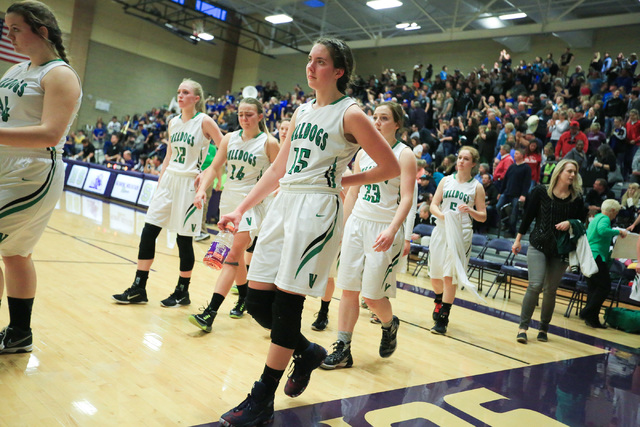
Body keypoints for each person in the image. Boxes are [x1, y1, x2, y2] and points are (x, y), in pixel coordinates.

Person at [216, 38, 400, 427]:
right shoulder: (301, 111)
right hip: (284, 203)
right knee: (255, 301)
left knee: (286, 305)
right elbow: (276, 170)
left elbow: (389, 166)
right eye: (309, 60)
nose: (311, 67)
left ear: (339, 70)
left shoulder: (350, 113)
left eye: (320, 62)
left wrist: (347, 179)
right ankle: (308, 351)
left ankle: (262, 397)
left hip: (317, 209)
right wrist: (240, 208)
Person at [0, 0, 82, 354]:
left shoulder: (60, 75)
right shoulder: (16, 71)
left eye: (16, 29)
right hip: (5, 165)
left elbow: (50, 134)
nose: (10, 36)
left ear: (42, 31)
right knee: (16, 254)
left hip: (32, 172)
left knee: (13, 253)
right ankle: (20, 333)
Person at [321, 101, 416, 369]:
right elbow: (353, 192)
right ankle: (343, 348)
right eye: (375, 117)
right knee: (348, 288)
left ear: (397, 124)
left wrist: (393, 229)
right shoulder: (363, 152)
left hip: (384, 225)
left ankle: (389, 324)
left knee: (372, 296)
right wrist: (343, 225)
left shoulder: (405, 154)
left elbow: (407, 198)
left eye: (384, 118)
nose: (377, 122)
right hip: (358, 223)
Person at [112, 79, 223, 306]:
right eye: (178, 92)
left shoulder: (205, 121)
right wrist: (160, 184)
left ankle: (182, 291)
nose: (180, 96)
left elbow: (226, 149)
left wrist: (208, 174)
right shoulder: (173, 122)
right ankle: (138, 288)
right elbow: (168, 156)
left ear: (196, 98)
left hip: (189, 184)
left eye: (185, 92)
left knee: (184, 240)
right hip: (169, 180)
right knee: (148, 231)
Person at [188, 98, 278, 332]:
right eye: (240, 114)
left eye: (249, 114)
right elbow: (215, 166)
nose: (244, 118)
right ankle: (244, 297)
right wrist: (200, 191)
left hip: (252, 205)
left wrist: (274, 196)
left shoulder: (269, 143)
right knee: (235, 256)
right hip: (228, 201)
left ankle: (210, 312)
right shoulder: (229, 139)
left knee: (231, 254)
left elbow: (281, 174)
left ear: (260, 116)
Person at [513, 159, 587, 344]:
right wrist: (518, 239)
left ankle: (544, 328)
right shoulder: (540, 191)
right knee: (535, 285)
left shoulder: (577, 197)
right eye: (569, 171)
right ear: (560, 172)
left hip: (561, 250)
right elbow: (528, 216)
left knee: (551, 290)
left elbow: (580, 224)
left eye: (574, 172)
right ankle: (523, 327)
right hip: (538, 244)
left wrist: (571, 223)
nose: (572, 175)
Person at [428, 147, 487, 335]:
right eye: (460, 157)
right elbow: (433, 205)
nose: (461, 161)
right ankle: (439, 300)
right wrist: (443, 216)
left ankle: (443, 318)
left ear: (473, 164)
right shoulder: (446, 181)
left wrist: (471, 211)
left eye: (466, 158)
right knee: (435, 275)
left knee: (449, 276)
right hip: (442, 229)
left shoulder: (476, 187)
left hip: (461, 233)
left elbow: (483, 216)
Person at [581, 199, 627, 328]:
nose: (615, 216)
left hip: (589, 255)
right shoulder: (605, 219)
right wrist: (618, 232)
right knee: (604, 287)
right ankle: (586, 312)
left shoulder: (596, 217)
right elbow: (602, 231)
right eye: (616, 213)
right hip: (597, 256)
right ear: (612, 211)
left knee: (593, 287)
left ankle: (592, 319)